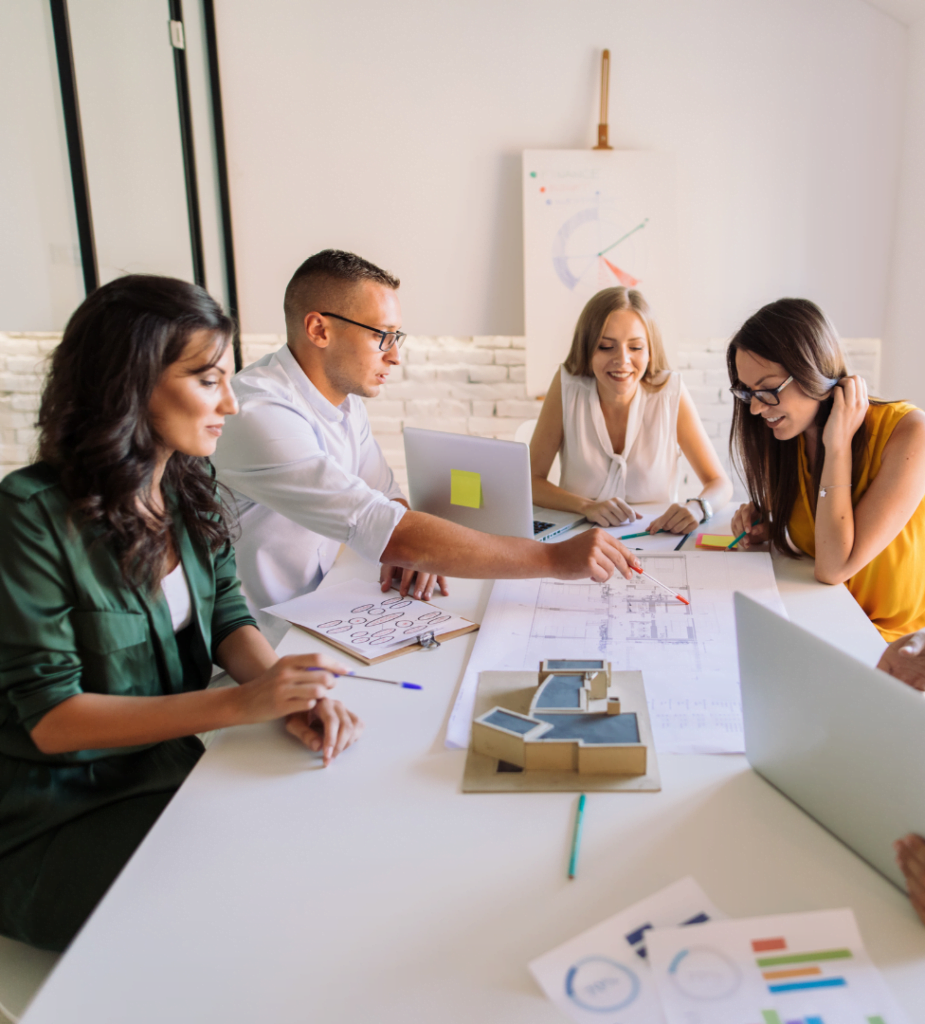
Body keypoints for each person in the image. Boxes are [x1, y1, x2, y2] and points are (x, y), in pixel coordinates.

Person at [0, 276, 361, 952]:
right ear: (128, 385)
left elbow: (227, 619)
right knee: (246, 918)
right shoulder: (29, 514)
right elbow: (53, 721)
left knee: (323, 853)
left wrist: (286, 690)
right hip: (51, 817)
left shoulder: (190, 486)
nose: (230, 401)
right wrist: (244, 704)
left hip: (165, 775)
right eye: (206, 379)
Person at [212, 250, 640, 645]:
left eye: (398, 336)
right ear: (319, 329)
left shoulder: (343, 402)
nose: (395, 356)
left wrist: (408, 549)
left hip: (320, 614)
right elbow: (385, 524)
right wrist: (553, 561)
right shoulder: (259, 414)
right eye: (382, 335)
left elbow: (387, 495)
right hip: (259, 644)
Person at [728, 298, 925, 641]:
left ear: (812, 369)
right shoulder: (789, 437)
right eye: (748, 392)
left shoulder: (911, 434)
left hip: (894, 646)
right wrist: (768, 523)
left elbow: (834, 567)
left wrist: (837, 447)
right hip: (824, 623)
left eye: (768, 389)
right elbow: (818, 534)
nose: (757, 408)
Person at [529, 287, 732, 534]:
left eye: (635, 348)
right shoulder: (567, 385)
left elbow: (720, 483)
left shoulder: (670, 392)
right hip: (579, 538)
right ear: (587, 347)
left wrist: (698, 507)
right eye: (605, 346)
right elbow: (530, 481)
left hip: (656, 537)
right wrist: (587, 506)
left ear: (649, 351)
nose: (622, 360)